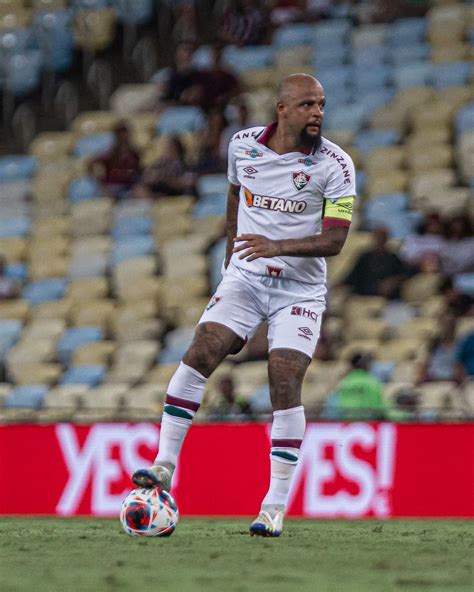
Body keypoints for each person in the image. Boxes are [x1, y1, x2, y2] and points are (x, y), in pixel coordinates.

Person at [132, 73, 356, 537]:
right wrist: (233, 251)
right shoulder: (243, 146)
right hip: (247, 277)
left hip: (300, 290)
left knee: (284, 379)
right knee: (201, 351)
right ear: (282, 108)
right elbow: (236, 193)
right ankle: (163, 465)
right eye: (308, 105)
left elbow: (335, 241)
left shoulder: (337, 164)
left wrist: (275, 246)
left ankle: (273, 506)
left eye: (322, 104)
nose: (318, 113)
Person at [342, 227, 409, 299]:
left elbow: (404, 274)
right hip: (363, 292)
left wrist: (393, 281)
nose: (379, 240)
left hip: (385, 297)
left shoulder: (392, 258)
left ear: (386, 239)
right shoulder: (365, 256)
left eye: (382, 238)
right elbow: (353, 275)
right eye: (378, 237)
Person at [323, 353, 386, 420]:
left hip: (344, 424)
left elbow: (332, 410)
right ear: (366, 365)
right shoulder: (373, 383)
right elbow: (380, 408)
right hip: (368, 424)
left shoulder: (343, 383)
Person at [90, 122, 141, 199]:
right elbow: (91, 164)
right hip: (112, 187)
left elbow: (137, 171)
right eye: (120, 134)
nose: (124, 137)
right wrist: (100, 183)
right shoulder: (110, 153)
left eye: (125, 134)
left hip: (128, 188)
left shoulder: (134, 153)